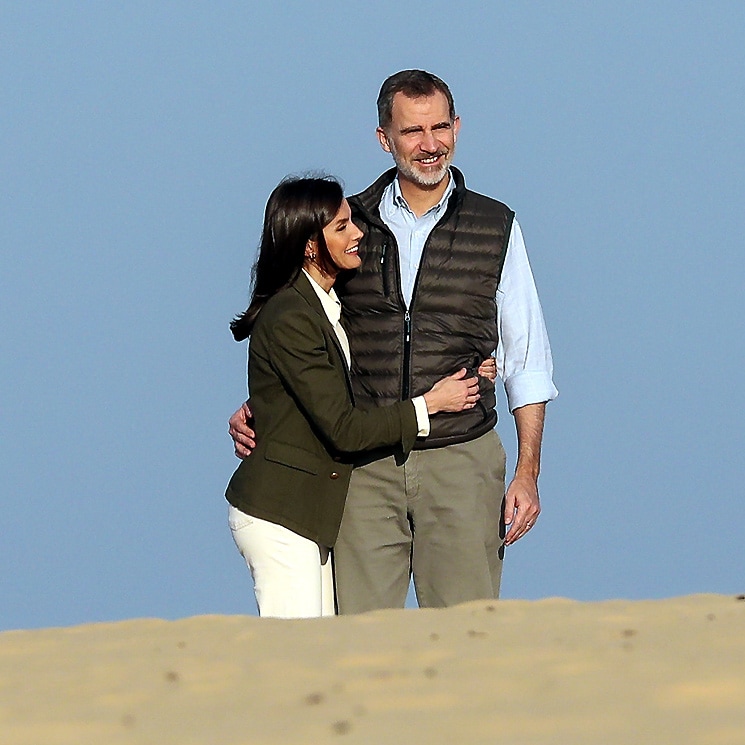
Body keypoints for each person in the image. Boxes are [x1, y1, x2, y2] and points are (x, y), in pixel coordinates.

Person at [230, 70, 558, 614]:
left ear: (457, 127)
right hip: (362, 470)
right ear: (385, 138)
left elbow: (528, 358)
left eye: (440, 127)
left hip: (462, 461)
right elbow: (301, 325)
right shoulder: (348, 225)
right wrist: (260, 406)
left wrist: (527, 473)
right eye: (413, 131)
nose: (430, 145)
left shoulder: (495, 225)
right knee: (359, 641)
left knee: (465, 636)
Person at [226, 175, 484, 619]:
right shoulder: (291, 315)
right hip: (281, 514)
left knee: (322, 652)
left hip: (307, 517)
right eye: (342, 227)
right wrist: (431, 404)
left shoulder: (326, 303)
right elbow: (343, 428)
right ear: (310, 244)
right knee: (298, 657)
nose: (358, 233)